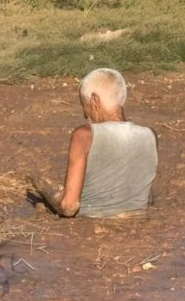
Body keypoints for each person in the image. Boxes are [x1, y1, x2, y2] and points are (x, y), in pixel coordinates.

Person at [33, 68, 158, 218]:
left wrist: (45, 191)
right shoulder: (149, 136)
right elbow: (145, 197)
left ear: (94, 100)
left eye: (84, 106)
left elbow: (69, 207)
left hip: (90, 229)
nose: (85, 115)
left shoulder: (84, 135)